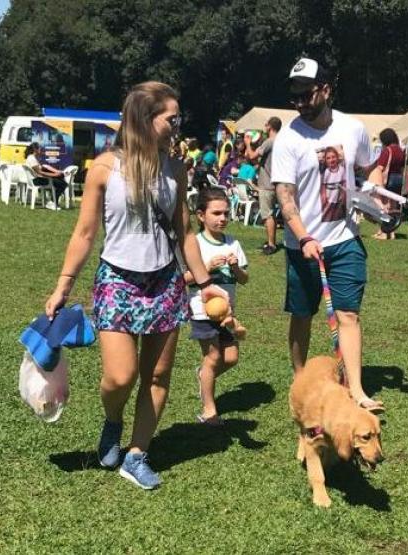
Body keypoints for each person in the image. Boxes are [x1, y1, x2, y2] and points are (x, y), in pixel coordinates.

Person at [43, 81, 225, 490]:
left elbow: (185, 233)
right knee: (119, 378)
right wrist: (63, 287)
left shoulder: (176, 168)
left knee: (157, 377)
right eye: (171, 118)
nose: (177, 125)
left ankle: (137, 454)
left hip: (165, 282)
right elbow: (85, 233)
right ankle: (113, 420)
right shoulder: (106, 167)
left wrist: (206, 283)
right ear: (145, 119)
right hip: (118, 281)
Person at [271, 57, 384, 413]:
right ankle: (301, 378)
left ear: (326, 90)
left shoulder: (353, 129)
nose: (301, 102)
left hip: (345, 239)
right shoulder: (289, 137)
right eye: (295, 97)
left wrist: (374, 195)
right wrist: (304, 237)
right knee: (302, 315)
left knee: (348, 314)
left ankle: (356, 390)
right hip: (301, 244)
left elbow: (372, 167)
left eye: (307, 94)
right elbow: (285, 196)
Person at [185, 187, 249, 426]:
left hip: (227, 313)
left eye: (226, 213)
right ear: (201, 215)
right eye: (216, 213)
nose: (222, 218)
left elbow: (244, 279)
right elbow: (183, 279)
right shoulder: (195, 244)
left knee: (230, 358)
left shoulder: (233, 243)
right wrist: (206, 268)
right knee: (212, 357)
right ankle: (208, 410)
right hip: (202, 311)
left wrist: (235, 268)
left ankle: (204, 376)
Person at [244, 117, 282, 255]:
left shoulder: (270, 141)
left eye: (265, 125)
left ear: (270, 127)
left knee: (268, 215)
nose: (264, 127)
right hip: (280, 182)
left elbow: (252, 156)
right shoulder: (282, 140)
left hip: (267, 183)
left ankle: (271, 244)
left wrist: (248, 143)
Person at [371, 128, 406, 240]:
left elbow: (380, 168)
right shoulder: (400, 151)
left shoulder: (387, 151)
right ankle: (392, 232)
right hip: (398, 180)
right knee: (393, 207)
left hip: (388, 181)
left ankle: (384, 232)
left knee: (385, 207)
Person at [25, 142, 68, 209]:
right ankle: (52, 202)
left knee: (60, 180)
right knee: (62, 183)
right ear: (35, 150)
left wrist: (56, 173)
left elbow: (42, 168)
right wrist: (54, 174)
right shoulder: (32, 159)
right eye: (39, 148)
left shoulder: (32, 158)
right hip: (36, 181)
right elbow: (40, 172)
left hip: (37, 179)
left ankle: (52, 202)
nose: (41, 150)